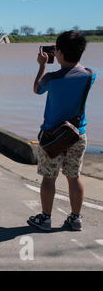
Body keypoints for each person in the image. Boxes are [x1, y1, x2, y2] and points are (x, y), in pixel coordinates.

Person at [28, 31, 96, 231]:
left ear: (60, 53)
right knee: (73, 177)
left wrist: (42, 65)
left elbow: (36, 89)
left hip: (52, 138)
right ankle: (75, 219)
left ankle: (45, 219)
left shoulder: (51, 77)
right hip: (77, 134)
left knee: (49, 177)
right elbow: (78, 69)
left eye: (56, 50)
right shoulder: (89, 76)